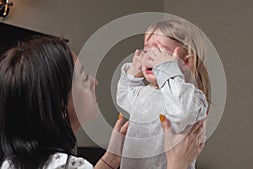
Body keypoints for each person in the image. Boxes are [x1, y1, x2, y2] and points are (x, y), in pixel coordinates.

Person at [0, 36, 206, 169]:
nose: (94, 81)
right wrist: (178, 164)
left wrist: (111, 158)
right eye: (83, 76)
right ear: (60, 106)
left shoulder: (12, 163)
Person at [116, 20, 210, 169]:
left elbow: (182, 113)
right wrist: (133, 72)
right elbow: (123, 97)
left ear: (185, 63)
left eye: (159, 51)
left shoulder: (191, 98)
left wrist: (167, 71)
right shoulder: (145, 93)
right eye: (146, 50)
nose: (150, 57)